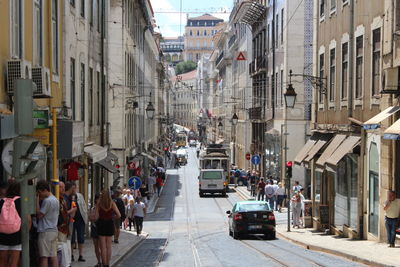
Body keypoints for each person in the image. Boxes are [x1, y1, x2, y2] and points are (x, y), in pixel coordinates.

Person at [0, 180, 30, 267]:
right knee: (14, 261)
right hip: (17, 235)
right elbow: (28, 220)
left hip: (2, 235)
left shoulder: (1, 201)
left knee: (2, 260)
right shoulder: (21, 202)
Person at [36, 180, 60, 267]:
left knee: (44, 257)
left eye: (39, 192)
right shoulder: (56, 200)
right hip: (54, 230)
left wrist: (37, 201)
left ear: (44, 190)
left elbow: (39, 215)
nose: (39, 194)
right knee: (53, 256)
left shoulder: (47, 201)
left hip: (45, 231)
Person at [95, 189, 121, 267]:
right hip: (109, 223)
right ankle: (107, 264)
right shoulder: (112, 203)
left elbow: (96, 216)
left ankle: (104, 263)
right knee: (109, 246)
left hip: (101, 223)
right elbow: (119, 215)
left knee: (103, 246)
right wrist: (112, 217)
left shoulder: (99, 203)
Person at [71, 186, 88, 262]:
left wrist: (85, 215)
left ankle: (81, 255)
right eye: (72, 188)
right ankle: (71, 255)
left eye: (75, 188)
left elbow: (84, 206)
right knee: (72, 238)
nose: (74, 190)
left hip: (80, 220)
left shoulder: (80, 196)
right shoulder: (68, 197)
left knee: (81, 238)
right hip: (72, 220)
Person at [58, 181, 71, 267]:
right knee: (61, 246)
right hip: (60, 227)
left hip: (64, 227)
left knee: (63, 246)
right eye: (60, 187)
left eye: (63, 187)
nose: (63, 189)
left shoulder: (62, 199)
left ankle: (66, 263)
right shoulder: (58, 199)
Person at [89, 193, 102, 267]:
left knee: (101, 246)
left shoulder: (102, 209)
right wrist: (94, 218)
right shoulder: (93, 208)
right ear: (96, 200)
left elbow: (95, 218)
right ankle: (99, 262)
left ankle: (103, 261)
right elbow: (90, 217)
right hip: (94, 228)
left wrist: (94, 218)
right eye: (99, 199)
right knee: (96, 246)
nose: (100, 200)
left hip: (101, 228)